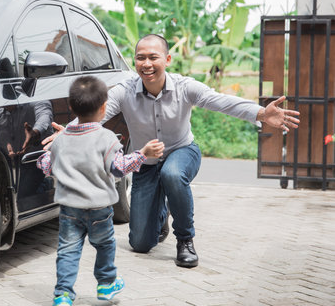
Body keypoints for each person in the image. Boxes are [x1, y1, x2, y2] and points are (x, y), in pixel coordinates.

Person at [43, 34, 300, 269]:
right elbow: (95, 115)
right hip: (146, 163)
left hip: (182, 152)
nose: (146, 64)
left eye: (153, 57)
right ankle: (160, 213)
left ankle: (185, 240)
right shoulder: (125, 91)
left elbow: (220, 101)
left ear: (167, 59)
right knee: (141, 243)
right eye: (140, 58)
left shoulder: (185, 87)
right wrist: (66, 134)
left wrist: (261, 113)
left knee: (172, 175)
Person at [37, 75, 163, 306]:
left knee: (67, 251)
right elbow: (119, 168)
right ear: (104, 108)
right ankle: (106, 285)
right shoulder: (106, 137)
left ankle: (63, 295)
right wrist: (143, 152)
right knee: (104, 245)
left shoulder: (61, 139)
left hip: (69, 209)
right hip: (99, 209)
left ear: (72, 107)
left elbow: (46, 167)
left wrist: (47, 153)